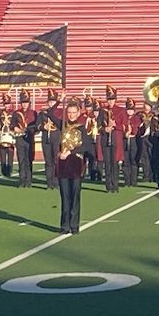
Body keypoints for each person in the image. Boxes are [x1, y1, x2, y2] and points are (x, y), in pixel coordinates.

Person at [51, 99, 96, 234]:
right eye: (69, 112)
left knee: (75, 195)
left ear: (78, 113)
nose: (71, 115)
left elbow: (87, 146)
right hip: (63, 164)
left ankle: (74, 225)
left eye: (73, 112)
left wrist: (71, 151)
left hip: (76, 164)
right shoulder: (62, 124)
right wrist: (60, 99)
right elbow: (49, 114)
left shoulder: (81, 128)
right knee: (65, 196)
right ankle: (64, 226)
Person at [13, 92, 38, 188]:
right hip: (19, 138)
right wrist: (15, 128)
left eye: (26, 102)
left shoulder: (33, 113)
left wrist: (31, 130)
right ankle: (22, 180)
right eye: (23, 102)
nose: (24, 104)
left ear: (29, 103)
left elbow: (36, 126)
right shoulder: (16, 113)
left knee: (29, 160)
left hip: (29, 138)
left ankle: (29, 180)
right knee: (21, 160)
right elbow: (12, 124)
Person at [0, 93, 16, 179]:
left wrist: (13, 130)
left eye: (8, 104)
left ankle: (9, 170)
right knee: (2, 154)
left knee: (10, 154)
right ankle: (3, 170)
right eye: (5, 104)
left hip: (11, 135)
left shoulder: (14, 113)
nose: (7, 106)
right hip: (2, 135)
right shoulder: (0, 113)